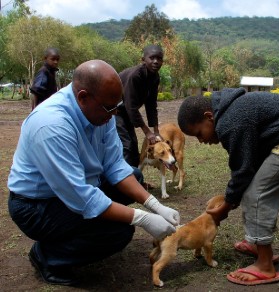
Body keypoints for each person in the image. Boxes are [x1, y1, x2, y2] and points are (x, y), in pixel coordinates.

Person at [7, 60, 180, 286]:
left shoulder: (100, 111)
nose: (114, 113)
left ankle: (81, 236)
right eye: (110, 107)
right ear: (83, 97)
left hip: (77, 188)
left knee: (134, 177)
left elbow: (116, 166)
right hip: (37, 205)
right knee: (119, 232)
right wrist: (142, 218)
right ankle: (48, 256)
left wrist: (155, 205)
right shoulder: (51, 125)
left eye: (117, 106)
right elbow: (82, 197)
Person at [177, 88, 279, 286]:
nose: (201, 140)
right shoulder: (228, 112)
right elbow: (247, 166)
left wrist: (226, 206)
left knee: (257, 194)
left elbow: (242, 170)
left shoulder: (231, 123)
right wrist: (232, 198)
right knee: (255, 186)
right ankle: (257, 242)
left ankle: (265, 265)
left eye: (199, 133)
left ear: (209, 116)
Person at [116, 44, 164, 168]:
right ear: (143, 60)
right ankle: (123, 184)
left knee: (133, 146)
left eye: (159, 58)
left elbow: (151, 105)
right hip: (114, 112)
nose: (156, 61)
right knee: (127, 146)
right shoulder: (135, 76)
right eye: (152, 58)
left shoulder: (155, 77)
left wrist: (156, 131)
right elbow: (130, 106)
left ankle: (135, 180)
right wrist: (147, 132)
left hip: (127, 113)